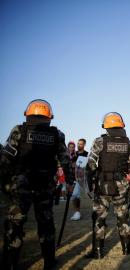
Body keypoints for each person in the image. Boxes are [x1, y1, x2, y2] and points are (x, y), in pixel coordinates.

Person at [0, 99, 71, 269]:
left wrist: (3, 181)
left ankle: (10, 264)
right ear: (50, 116)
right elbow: (65, 160)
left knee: (15, 224)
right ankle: (49, 262)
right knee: (46, 224)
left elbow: (6, 158)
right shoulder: (57, 135)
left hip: (20, 186)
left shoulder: (19, 130)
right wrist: (70, 181)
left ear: (28, 114)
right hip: (45, 185)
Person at [85, 112, 130, 258]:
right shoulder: (127, 142)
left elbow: (91, 163)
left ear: (106, 126)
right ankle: (126, 249)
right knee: (123, 217)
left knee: (99, 217)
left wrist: (90, 181)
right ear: (121, 125)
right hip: (121, 185)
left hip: (102, 183)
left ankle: (97, 252)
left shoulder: (100, 141)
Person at [70, 138, 88, 221]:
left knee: (75, 195)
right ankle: (77, 212)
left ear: (84, 145)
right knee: (75, 196)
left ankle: (77, 213)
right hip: (73, 177)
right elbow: (71, 164)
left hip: (81, 179)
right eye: (78, 143)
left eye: (80, 144)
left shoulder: (87, 154)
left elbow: (88, 167)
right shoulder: (74, 154)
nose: (79, 145)